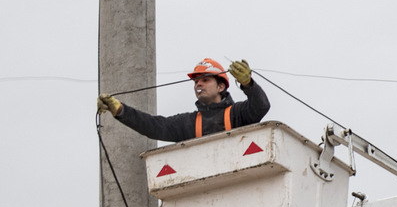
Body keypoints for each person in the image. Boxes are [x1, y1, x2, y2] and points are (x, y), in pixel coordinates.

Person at [97, 58, 270, 141]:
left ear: (221, 87)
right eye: (196, 81)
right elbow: (154, 126)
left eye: (205, 80)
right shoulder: (189, 122)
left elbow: (261, 106)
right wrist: (120, 110)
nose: (198, 85)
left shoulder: (237, 114)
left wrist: (248, 84)